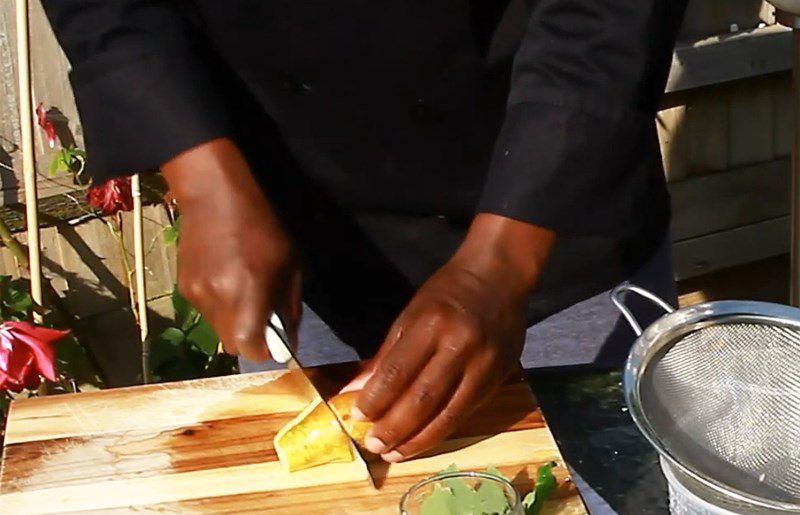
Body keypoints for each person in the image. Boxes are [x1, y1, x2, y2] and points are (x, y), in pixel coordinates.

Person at [42, 0, 687, 462]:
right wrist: (203, 177)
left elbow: (609, 16)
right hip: (294, 240)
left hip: (551, 233)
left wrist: (502, 262)